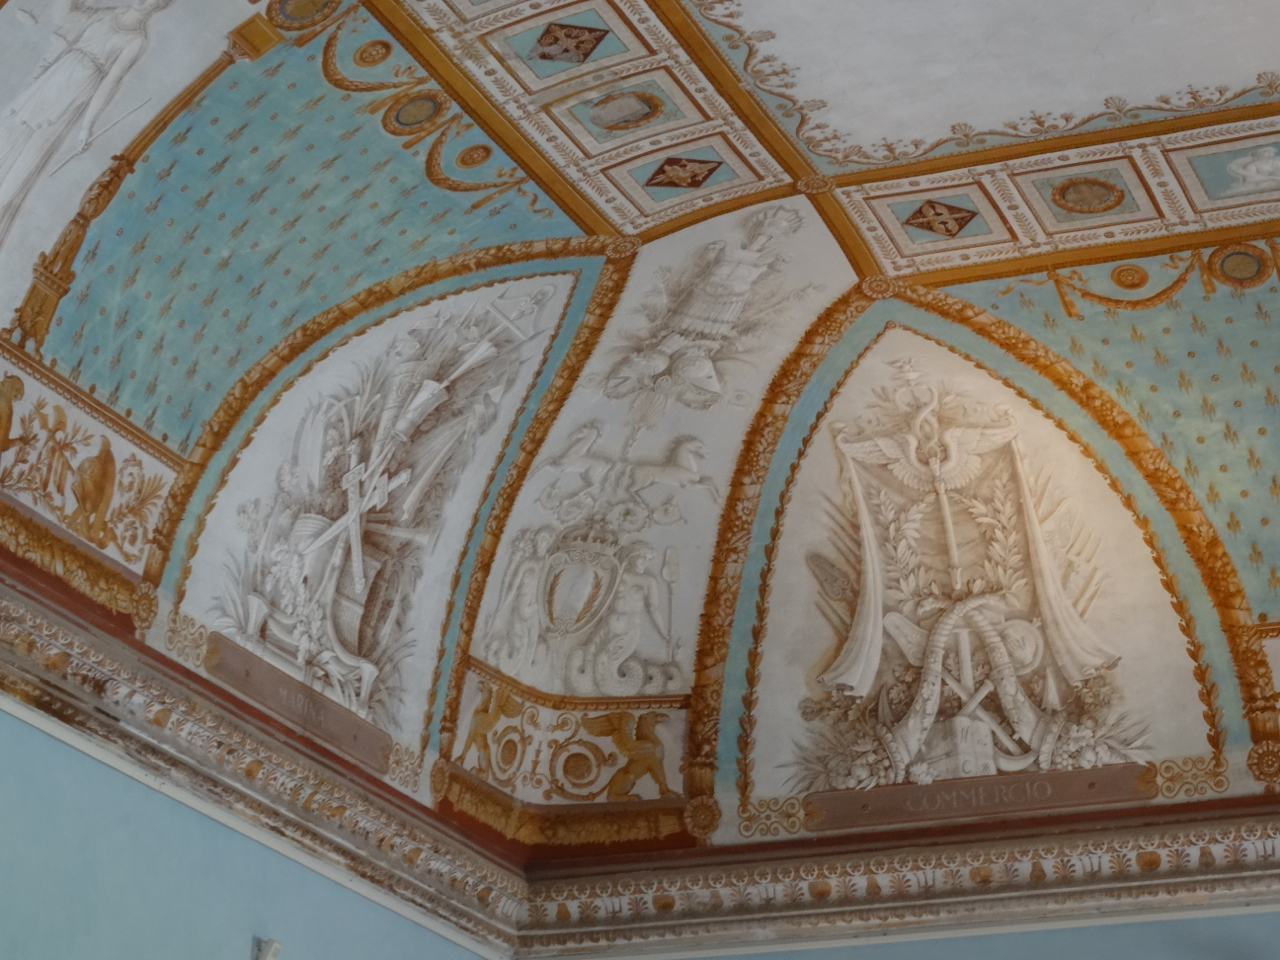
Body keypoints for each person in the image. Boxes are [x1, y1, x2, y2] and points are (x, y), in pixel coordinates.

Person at [0, 0, 174, 250]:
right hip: (53, 78)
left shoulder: (136, 40)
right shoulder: (106, 14)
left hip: (77, 91)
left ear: (159, 6)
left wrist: (86, 126)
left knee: (30, 154)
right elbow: (65, 16)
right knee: (9, 131)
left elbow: (110, 82)